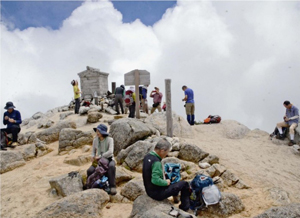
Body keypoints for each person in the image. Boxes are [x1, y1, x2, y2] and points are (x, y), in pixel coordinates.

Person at [142, 139, 190, 211]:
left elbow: (149, 171)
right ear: (162, 150)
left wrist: (162, 175)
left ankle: (175, 198)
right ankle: (184, 207)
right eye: (166, 152)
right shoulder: (156, 162)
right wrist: (166, 182)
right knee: (184, 184)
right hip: (157, 194)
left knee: (170, 177)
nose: (166, 154)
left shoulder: (148, 156)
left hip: (149, 190)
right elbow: (155, 180)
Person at [87, 124, 117, 195]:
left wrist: (100, 156)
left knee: (112, 167)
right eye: (97, 131)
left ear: (103, 132)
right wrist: (92, 156)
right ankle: (90, 185)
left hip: (109, 159)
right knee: (90, 170)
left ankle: (112, 186)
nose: (97, 133)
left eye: (99, 131)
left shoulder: (110, 139)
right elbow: (93, 151)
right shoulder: (95, 140)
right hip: (99, 161)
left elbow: (110, 152)